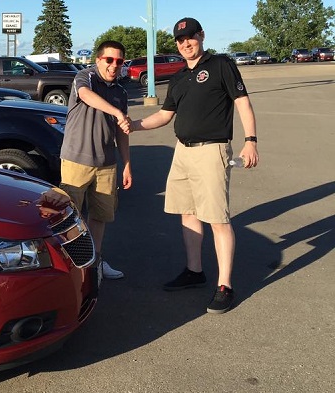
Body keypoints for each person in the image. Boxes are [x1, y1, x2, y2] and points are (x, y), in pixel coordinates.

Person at [126, 17, 259, 313]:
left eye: (190, 37)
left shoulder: (221, 65)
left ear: (201, 36)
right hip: (183, 152)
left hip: (212, 150)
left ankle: (225, 285)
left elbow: (242, 103)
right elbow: (163, 116)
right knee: (187, 212)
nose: (185, 43)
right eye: (180, 39)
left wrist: (250, 140)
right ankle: (194, 271)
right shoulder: (177, 78)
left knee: (217, 218)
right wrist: (132, 125)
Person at [60, 40, 132, 279]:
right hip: (76, 160)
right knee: (70, 217)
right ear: (98, 60)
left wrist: (127, 164)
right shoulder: (85, 77)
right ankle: (72, 266)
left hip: (106, 164)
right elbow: (85, 95)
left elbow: (122, 131)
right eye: (109, 60)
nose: (114, 66)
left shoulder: (120, 92)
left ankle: (95, 263)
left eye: (119, 61)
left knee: (100, 217)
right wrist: (115, 111)